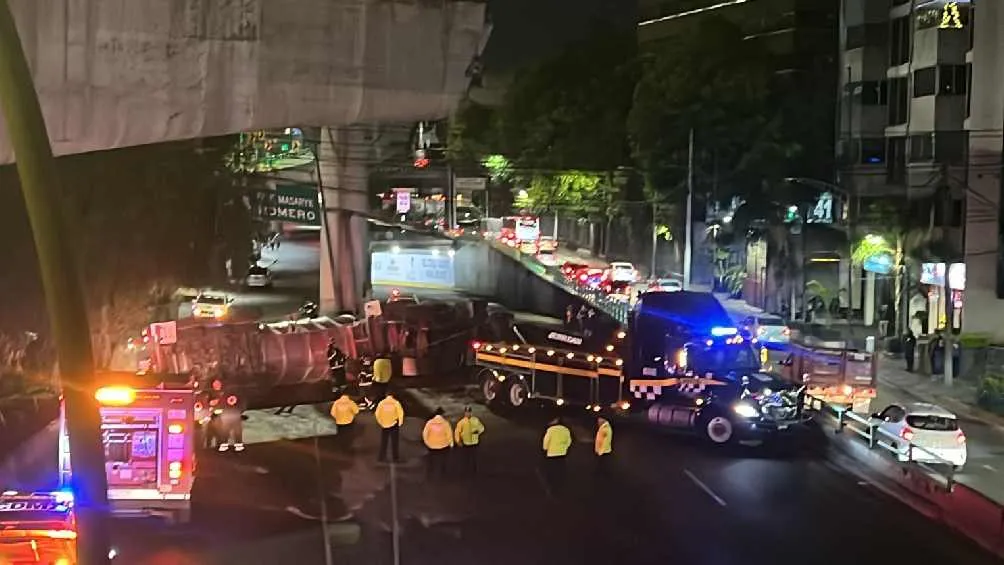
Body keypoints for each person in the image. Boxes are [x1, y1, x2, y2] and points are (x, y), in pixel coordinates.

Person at [542, 416, 572, 494]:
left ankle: (552, 485)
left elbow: (546, 440)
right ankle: (561, 483)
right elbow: (569, 441)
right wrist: (565, 447)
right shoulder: (566, 429)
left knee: (552, 469)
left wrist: (545, 448)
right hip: (562, 453)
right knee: (560, 469)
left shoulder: (551, 430)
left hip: (552, 453)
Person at [422, 408, 454, 479]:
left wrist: (427, 442)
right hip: (443, 445)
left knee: (432, 460)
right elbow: (449, 435)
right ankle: (442, 474)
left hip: (432, 446)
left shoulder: (430, 422)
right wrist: (451, 444)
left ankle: (430, 474)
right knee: (443, 460)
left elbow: (425, 434)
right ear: (442, 414)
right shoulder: (445, 423)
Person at [454, 406, 485, 475]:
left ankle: (474, 471)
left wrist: (478, 431)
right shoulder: (461, 422)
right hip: (466, 443)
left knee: (474, 458)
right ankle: (466, 470)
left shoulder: (476, 420)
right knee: (466, 458)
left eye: (469, 412)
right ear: (464, 413)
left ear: (471, 413)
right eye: (466, 412)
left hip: (474, 442)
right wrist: (458, 441)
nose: (467, 414)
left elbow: (482, 428)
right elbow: (457, 432)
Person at [375, 391, 405, 463]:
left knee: (384, 441)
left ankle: (381, 457)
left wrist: (380, 422)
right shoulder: (396, 403)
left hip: (384, 424)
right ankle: (395, 458)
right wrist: (400, 423)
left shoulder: (382, 403)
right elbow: (400, 413)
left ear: (386, 395)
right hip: (394, 424)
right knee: (394, 442)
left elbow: (377, 414)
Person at [217, 388, 245, 452]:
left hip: (236, 415)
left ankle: (238, 444)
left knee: (237, 430)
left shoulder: (239, 396)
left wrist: (239, 411)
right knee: (225, 431)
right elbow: (221, 404)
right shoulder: (225, 396)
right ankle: (224, 444)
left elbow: (243, 404)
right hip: (226, 416)